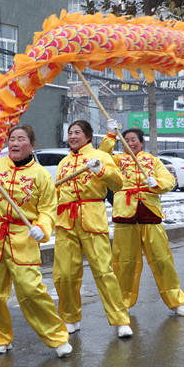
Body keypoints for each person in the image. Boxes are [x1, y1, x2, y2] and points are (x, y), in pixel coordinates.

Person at [0, 124, 72, 357]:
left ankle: (57, 338)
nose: (15, 143)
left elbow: (48, 209)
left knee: (31, 291)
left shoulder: (41, 175)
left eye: (21, 139)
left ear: (32, 145)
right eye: (12, 139)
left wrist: (42, 227)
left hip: (23, 237)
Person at [99, 122, 184, 317]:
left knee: (162, 260)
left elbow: (169, 180)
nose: (130, 143)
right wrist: (110, 135)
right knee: (124, 263)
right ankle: (123, 303)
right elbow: (102, 156)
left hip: (150, 213)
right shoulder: (117, 160)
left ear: (141, 143)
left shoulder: (153, 161)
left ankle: (176, 301)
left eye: (134, 139)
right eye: (126, 140)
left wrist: (156, 183)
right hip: (125, 214)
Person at [53, 120, 133, 338]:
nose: (72, 136)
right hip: (65, 220)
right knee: (64, 274)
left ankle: (120, 320)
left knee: (103, 271)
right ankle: (70, 317)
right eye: (70, 132)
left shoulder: (101, 157)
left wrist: (102, 171)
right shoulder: (64, 162)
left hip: (92, 217)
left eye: (77, 132)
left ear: (88, 136)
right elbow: (57, 193)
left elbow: (118, 183)